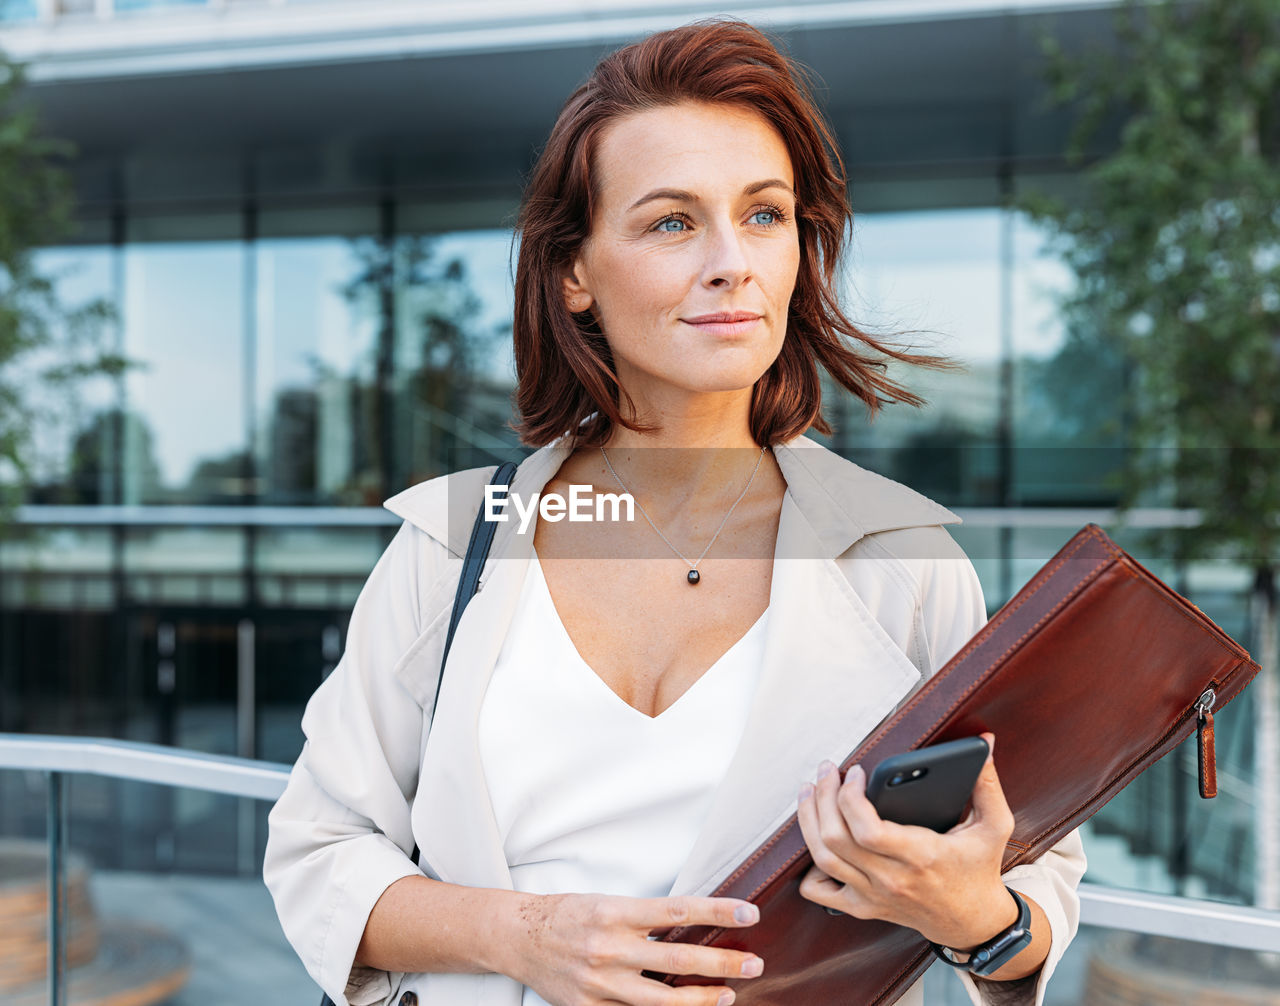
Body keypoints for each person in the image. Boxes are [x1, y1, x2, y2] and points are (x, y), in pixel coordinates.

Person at [264, 19, 1085, 1006]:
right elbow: (316, 852)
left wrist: (978, 924)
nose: (731, 262)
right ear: (573, 273)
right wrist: (530, 937)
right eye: (670, 222)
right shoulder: (456, 541)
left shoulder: (898, 555)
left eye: (764, 215)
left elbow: (1029, 884)